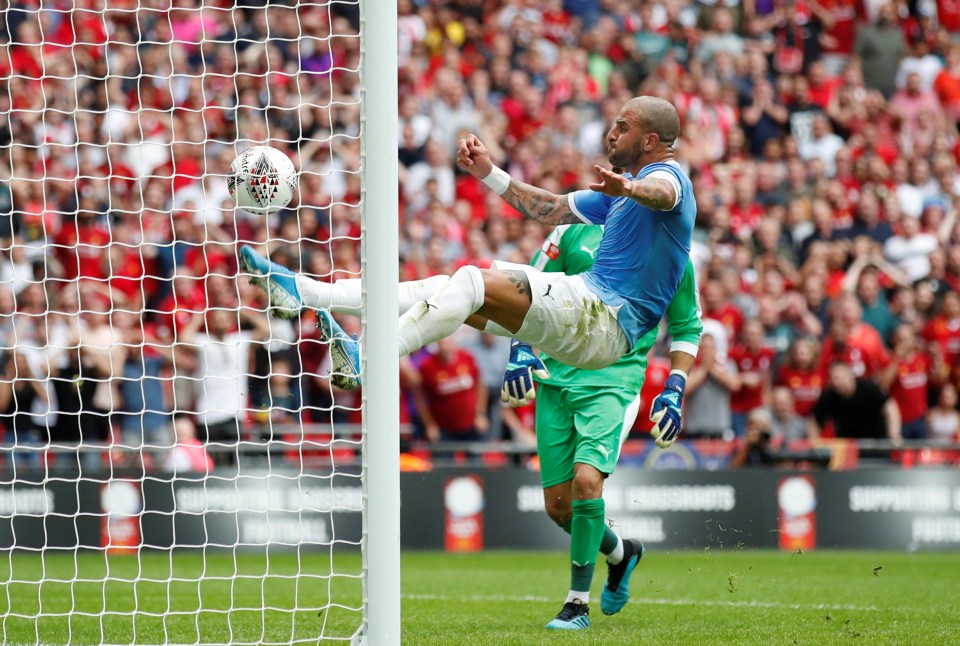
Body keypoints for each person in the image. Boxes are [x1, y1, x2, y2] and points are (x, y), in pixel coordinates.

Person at [240, 96, 696, 385]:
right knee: (443, 288)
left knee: (472, 279)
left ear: (651, 140)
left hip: (605, 317)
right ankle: (302, 291)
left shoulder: (664, 177)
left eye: (623, 126)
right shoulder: (620, 191)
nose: (611, 133)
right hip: (593, 321)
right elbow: (550, 208)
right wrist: (489, 174)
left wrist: (632, 188)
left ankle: (367, 359)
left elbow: (664, 195)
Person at [498, 222, 701, 630]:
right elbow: (527, 287)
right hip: (555, 380)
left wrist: (675, 387)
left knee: (587, 482)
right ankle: (622, 553)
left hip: (615, 382)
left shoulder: (671, 247)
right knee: (559, 509)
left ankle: (576, 605)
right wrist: (520, 348)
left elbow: (686, 326)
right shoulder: (571, 231)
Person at [809, 362, 902, 443]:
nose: (835, 382)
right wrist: (814, 443)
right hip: (848, 447)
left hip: (876, 442)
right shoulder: (830, 396)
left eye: (838, 378)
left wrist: (894, 433)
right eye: (833, 379)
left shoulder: (868, 388)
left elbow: (890, 406)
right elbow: (815, 420)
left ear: (850, 375)